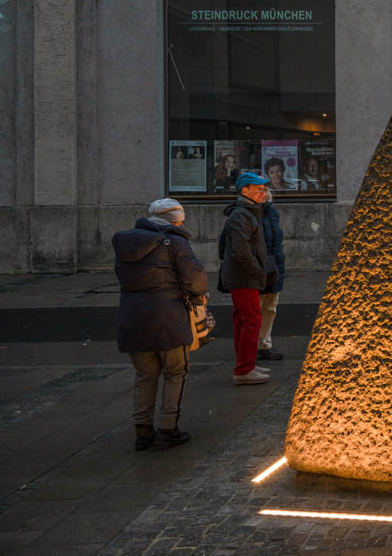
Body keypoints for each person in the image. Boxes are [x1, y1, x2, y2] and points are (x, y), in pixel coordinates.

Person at [113, 198, 207, 450]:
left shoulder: (125, 243)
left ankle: (142, 431)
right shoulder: (175, 242)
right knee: (175, 372)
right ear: (175, 220)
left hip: (132, 317)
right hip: (169, 318)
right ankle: (168, 429)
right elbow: (196, 281)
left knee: (145, 375)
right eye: (181, 219)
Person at [219, 172, 279, 385]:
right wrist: (258, 271)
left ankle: (246, 365)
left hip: (243, 276)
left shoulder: (248, 212)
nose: (263, 192)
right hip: (244, 278)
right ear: (245, 191)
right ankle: (244, 370)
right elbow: (240, 251)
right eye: (258, 189)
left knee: (244, 321)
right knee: (251, 321)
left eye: (264, 189)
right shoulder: (242, 215)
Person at [257, 191, 287, 361]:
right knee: (257, 308)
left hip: (273, 265)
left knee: (270, 306)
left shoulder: (272, 213)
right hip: (261, 265)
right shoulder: (248, 214)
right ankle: (255, 345)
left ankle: (264, 344)